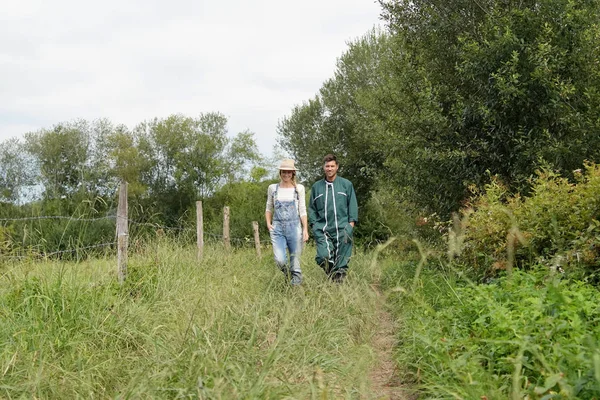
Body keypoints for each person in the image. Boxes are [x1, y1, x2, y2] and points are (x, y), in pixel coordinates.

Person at [308, 154, 358, 283]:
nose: (329, 169)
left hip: (343, 228)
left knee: (342, 260)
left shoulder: (346, 185)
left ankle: (338, 283)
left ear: (337, 167)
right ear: (323, 167)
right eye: (327, 166)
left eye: (332, 166)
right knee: (323, 256)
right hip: (323, 229)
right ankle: (331, 274)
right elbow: (312, 208)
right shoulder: (316, 187)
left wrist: (351, 224)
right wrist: (313, 224)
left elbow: (352, 204)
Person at [265, 159, 309, 285]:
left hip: (295, 228)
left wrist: (305, 229)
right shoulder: (273, 188)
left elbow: (302, 210)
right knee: (280, 260)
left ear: (293, 173)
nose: (286, 175)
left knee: (295, 262)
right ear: (280, 173)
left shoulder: (299, 189)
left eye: (289, 172)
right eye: (284, 172)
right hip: (277, 228)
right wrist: (269, 224)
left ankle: (295, 289)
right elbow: (268, 208)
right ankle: (288, 275)